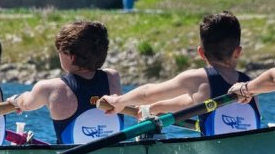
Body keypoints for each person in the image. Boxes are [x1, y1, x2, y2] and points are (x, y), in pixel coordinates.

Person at [100, 12, 260, 136]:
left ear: (201, 53)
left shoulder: (198, 79)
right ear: (238, 52)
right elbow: (190, 102)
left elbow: (147, 93)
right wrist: (154, 108)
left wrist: (118, 101)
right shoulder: (248, 84)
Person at [7, 21, 123, 144]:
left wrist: (15, 100)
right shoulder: (112, 77)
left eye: (60, 51)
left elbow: (25, 104)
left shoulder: (50, 88)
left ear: (71, 56)